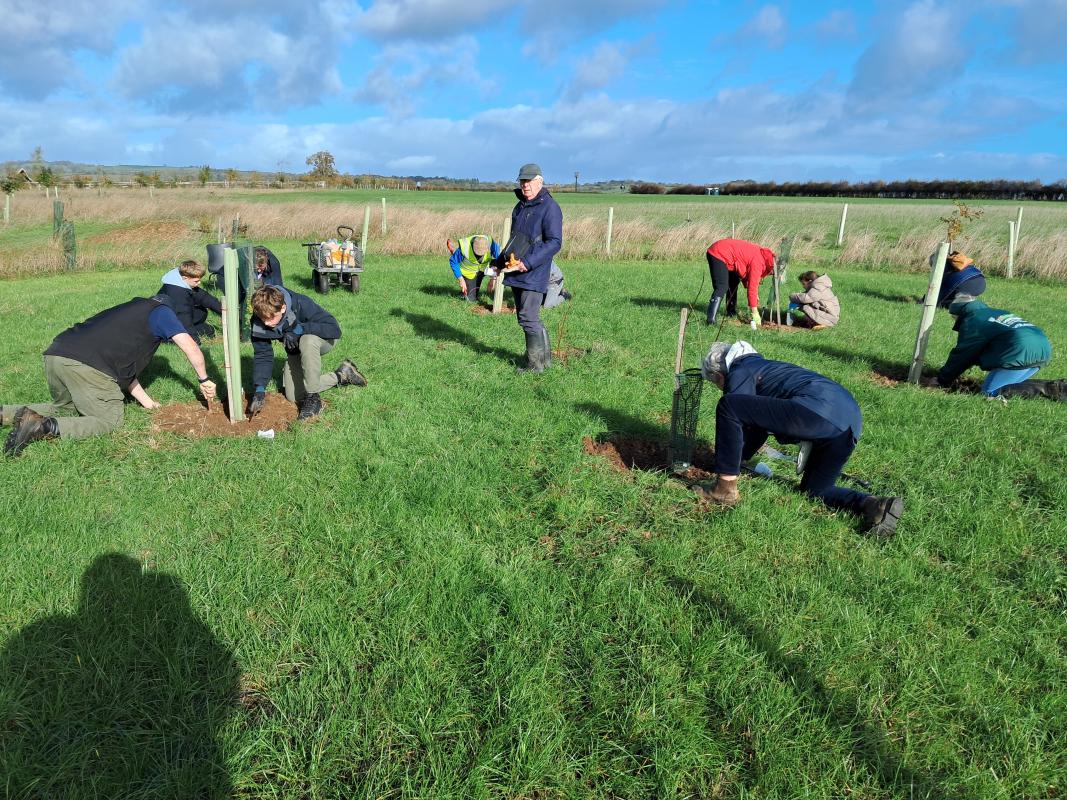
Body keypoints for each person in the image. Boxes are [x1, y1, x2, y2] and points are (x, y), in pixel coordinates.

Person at [694, 340, 904, 537]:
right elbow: (757, 424)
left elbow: (744, 420)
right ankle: (874, 505)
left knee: (729, 405)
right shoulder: (766, 367)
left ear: (719, 375)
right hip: (849, 422)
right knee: (816, 490)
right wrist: (738, 458)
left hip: (817, 411)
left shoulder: (741, 370)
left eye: (717, 384)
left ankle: (724, 489)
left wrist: (727, 464)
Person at [2, 297, 217, 456]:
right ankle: (41, 427)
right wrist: (204, 379)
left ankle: (5, 414)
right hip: (87, 365)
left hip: (56, 355)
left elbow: (125, 373)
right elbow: (190, 346)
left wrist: (149, 404)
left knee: (65, 409)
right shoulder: (163, 313)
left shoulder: (130, 312)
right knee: (109, 421)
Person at [248, 285, 367, 420]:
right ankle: (342, 375)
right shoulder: (259, 320)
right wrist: (260, 389)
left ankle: (313, 398)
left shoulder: (301, 303)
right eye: (263, 318)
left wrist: (299, 330)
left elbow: (334, 329)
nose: (266, 323)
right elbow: (263, 355)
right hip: (296, 350)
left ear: (283, 308)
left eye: (270, 318)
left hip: (323, 341)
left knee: (307, 340)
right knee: (294, 396)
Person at [497, 163, 563, 373]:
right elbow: (515, 240)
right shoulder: (520, 207)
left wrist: (528, 262)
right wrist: (499, 263)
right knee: (526, 318)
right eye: (522, 181)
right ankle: (544, 361)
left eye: (529, 181)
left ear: (540, 182)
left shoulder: (550, 207)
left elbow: (554, 242)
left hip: (534, 271)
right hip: (516, 270)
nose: (525, 185)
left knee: (528, 318)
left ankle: (535, 366)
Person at [933, 294, 1052, 398]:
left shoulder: (973, 320)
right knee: (1011, 387)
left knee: (990, 393)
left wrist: (942, 379)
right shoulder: (995, 312)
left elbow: (963, 354)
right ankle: (1051, 387)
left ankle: (1048, 388)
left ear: (960, 313)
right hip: (1043, 347)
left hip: (1020, 350)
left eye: (954, 318)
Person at [704, 238, 777, 326]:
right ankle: (711, 320)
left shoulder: (764, 258)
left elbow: (746, 273)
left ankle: (731, 313)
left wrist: (753, 293)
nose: (770, 274)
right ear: (772, 268)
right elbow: (752, 288)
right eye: (772, 273)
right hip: (718, 253)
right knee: (722, 286)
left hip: (729, 256)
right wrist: (755, 312)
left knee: (733, 282)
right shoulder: (759, 263)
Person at [156, 260, 222, 342]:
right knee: (208, 330)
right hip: (168, 328)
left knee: (207, 328)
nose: (199, 283)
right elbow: (183, 318)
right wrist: (194, 341)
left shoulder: (181, 283)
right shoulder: (178, 294)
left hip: (174, 321)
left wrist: (225, 311)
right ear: (185, 278)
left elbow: (205, 298)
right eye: (196, 281)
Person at [446, 235, 500, 302]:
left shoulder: (491, 243)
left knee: (499, 262)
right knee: (471, 299)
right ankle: (464, 293)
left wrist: (493, 278)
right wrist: (461, 279)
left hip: (483, 268)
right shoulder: (465, 247)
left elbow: (499, 260)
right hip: (469, 272)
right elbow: (453, 261)